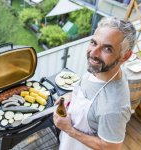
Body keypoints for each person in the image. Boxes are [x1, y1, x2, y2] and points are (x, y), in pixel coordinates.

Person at [53, 17, 136, 150]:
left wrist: (69, 129)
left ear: (125, 56)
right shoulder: (102, 69)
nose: (93, 53)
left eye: (107, 49)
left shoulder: (114, 108)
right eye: (93, 42)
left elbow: (110, 147)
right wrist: (71, 95)